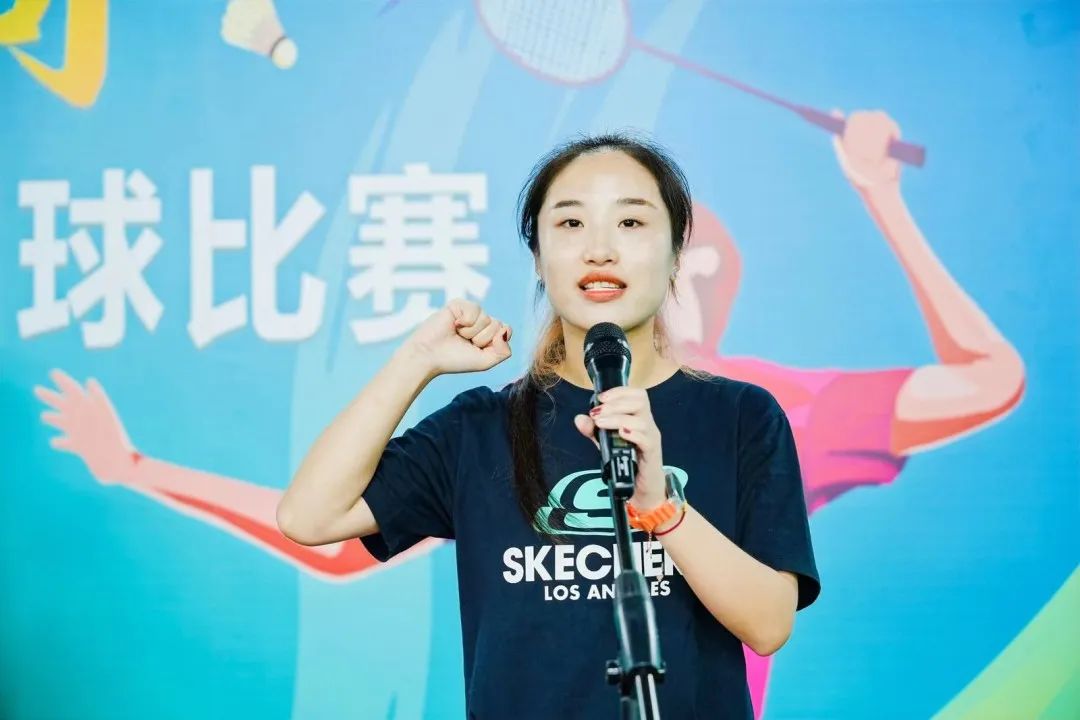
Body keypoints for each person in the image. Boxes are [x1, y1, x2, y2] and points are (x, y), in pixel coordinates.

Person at [276, 133, 821, 719]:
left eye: (631, 223)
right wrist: (417, 361)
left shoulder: (741, 417)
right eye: (570, 224)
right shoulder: (480, 427)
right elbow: (310, 516)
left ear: (676, 251)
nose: (600, 251)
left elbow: (769, 624)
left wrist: (662, 509)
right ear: (538, 256)